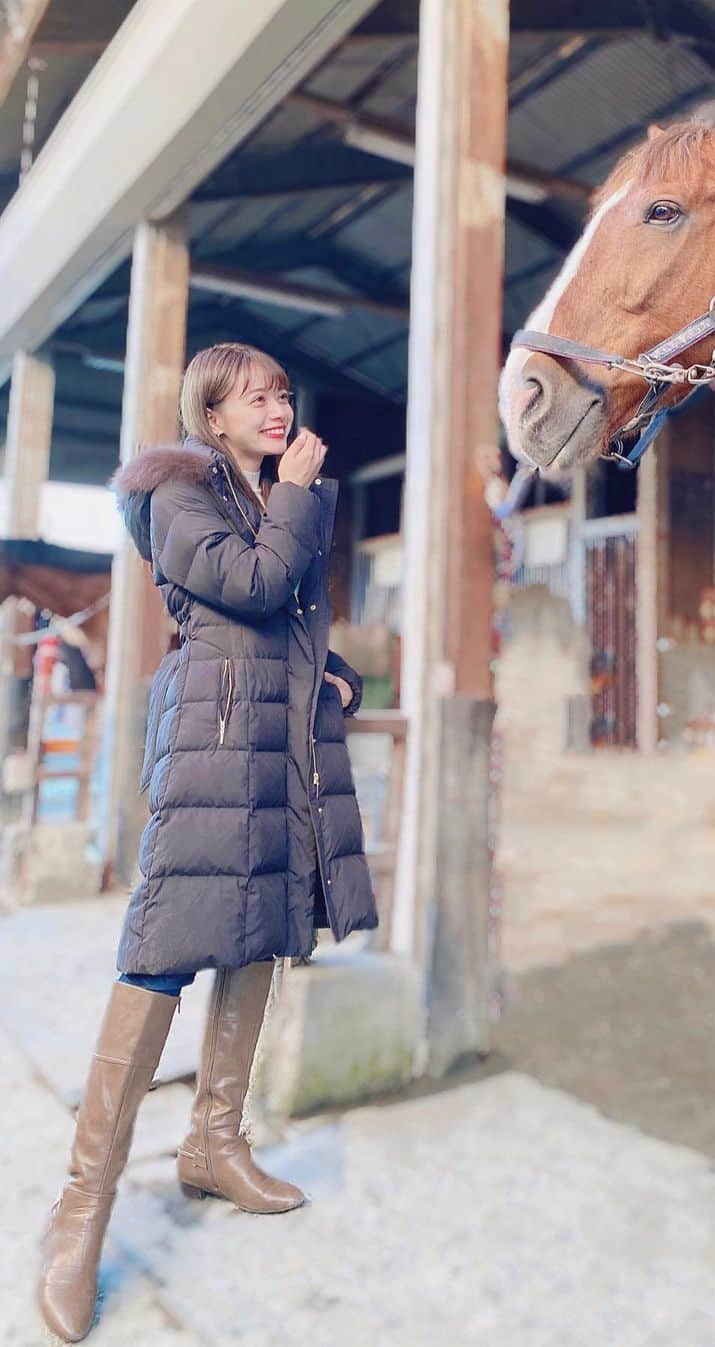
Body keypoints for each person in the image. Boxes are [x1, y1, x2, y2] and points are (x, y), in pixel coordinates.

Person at [37, 342, 377, 1342]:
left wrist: (335, 667)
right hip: (216, 736)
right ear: (212, 415)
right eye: (257, 397)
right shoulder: (177, 496)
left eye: (284, 392)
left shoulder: (260, 494)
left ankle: (214, 1144)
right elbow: (255, 584)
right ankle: (79, 1214)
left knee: (260, 929)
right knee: (162, 949)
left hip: (278, 731)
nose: (278, 406)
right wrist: (301, 494)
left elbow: (285, 614)